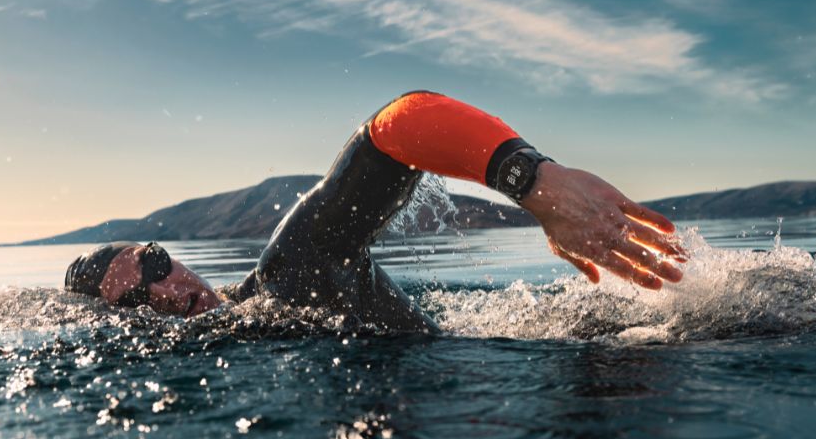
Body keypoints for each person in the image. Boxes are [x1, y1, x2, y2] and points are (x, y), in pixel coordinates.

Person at [66, 90, 688, 331]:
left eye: (156, 263)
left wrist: (537, 183)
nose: (167, 292)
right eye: (139, 299)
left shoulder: (289, 272)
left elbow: (400, 126)